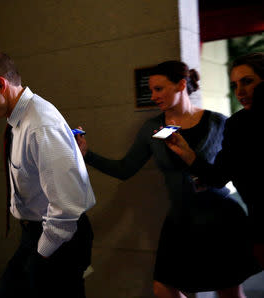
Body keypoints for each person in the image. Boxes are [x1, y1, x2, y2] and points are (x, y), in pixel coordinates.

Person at [76, 60, 259, 298]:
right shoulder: (153, 129)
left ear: (181, 85)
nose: (153, 96)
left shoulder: (219, 122)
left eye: (159, 89)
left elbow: (224, 175)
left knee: (229, 290)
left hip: (220, 218)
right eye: (151, 90)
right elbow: (124, 169)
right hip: (181, 219)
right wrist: (86, 155)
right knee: (163, 287)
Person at [0, 48, 96, 298]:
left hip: (59, 238)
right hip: (36, 233)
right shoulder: (19, 120)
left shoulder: (40, 125)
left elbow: (67, 208)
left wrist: (41, 254)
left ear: (0, 84)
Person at [165, 53, 264, 269]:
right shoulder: (238, 125)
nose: (240, 92)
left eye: (247, 81)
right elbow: (219, 176)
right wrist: (187, 153)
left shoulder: (225, 122)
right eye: (235, 84)